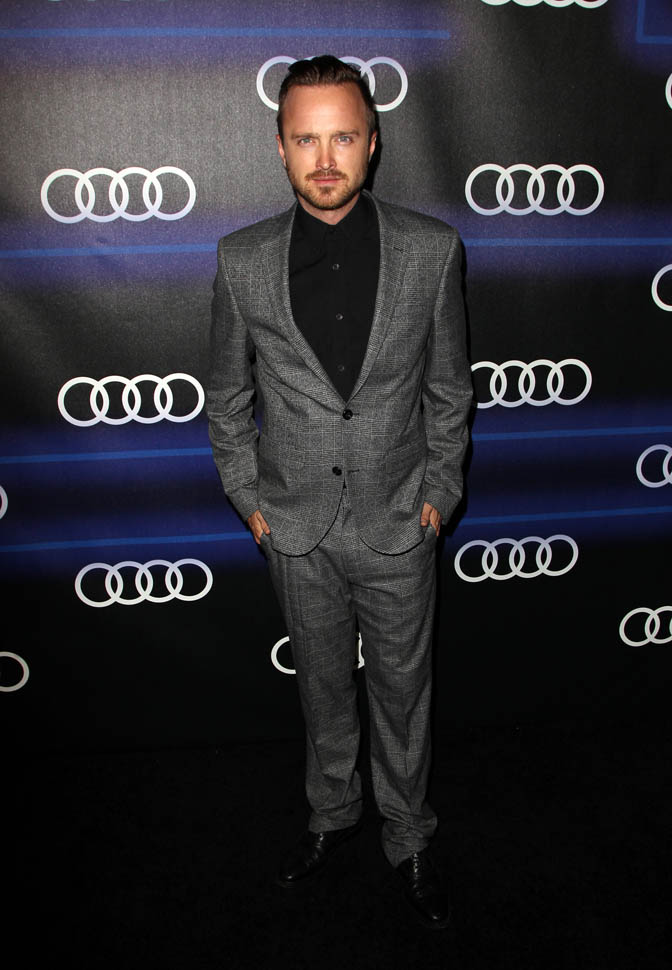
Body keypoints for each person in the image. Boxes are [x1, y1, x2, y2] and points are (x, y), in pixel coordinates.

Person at [207, 55, 472, 930]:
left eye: (343, 137)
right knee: (322, 692)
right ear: (280, 147)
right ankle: (331, 818)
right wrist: (251, 501)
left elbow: (449, 390)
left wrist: (439, 491)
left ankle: (410, 837)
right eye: (306, 139)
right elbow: (226, 397)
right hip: (296, 528)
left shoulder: (431, 249)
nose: (326, 159)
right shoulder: (241, 260)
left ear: (374, 142)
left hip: (401, 519)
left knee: (404, 696)